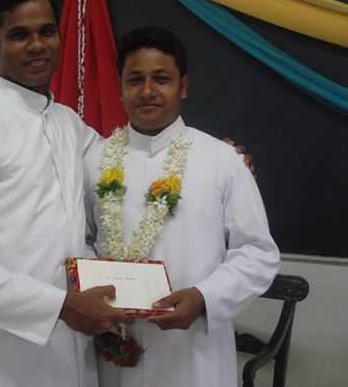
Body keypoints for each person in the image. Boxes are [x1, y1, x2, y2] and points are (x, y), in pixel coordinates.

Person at [0, 0, 131, 387]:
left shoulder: (68, 123)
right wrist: (59, 307)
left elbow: (124, 165)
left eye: (47, 31)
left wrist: (207, 156)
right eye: (19, 35)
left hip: (70, 344)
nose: (37, 45)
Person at [84, 26, 280, 387]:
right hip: (114, 349)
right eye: (135, 80)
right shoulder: (94, 160)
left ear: (183, 86)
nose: (147, 91)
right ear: (120, 88)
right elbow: (81, 239)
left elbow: (257, 253)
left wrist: (205, 298)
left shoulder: (222, 160)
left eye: (161, 79)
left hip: (194, 355)